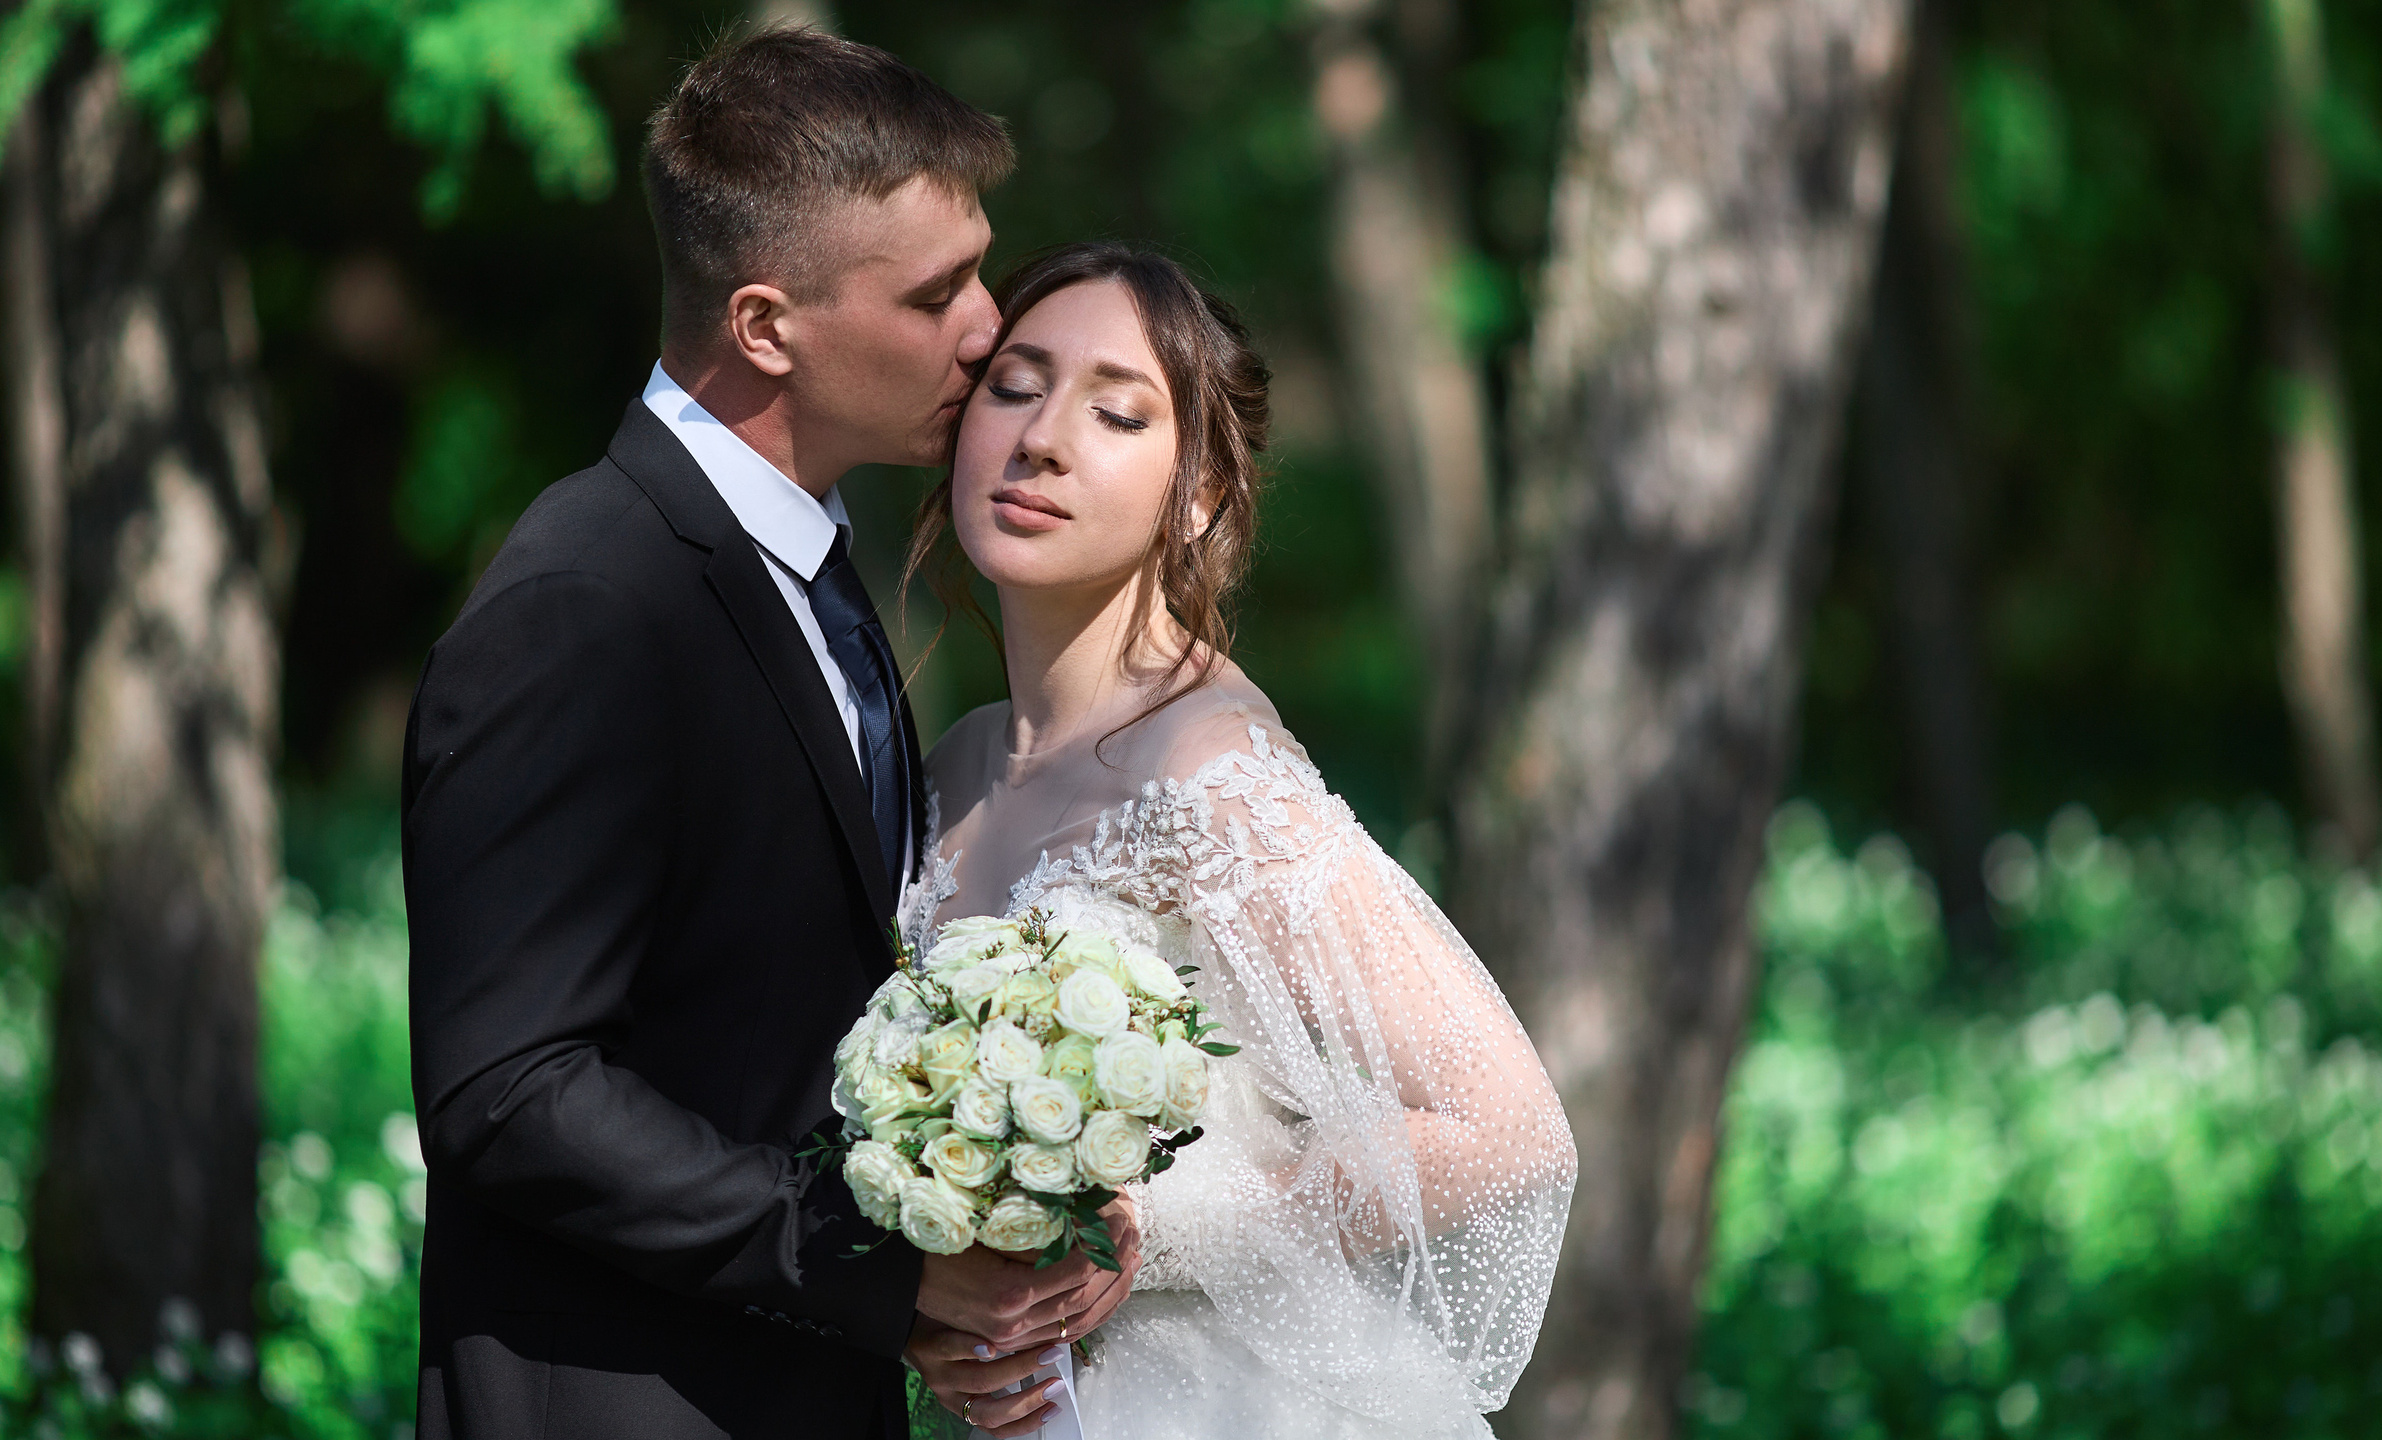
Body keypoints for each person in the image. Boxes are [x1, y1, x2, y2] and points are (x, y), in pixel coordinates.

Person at [401, 30, 1140, 1440]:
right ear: (763, 327)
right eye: (933, 295)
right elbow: (510, 1089)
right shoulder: (585, 606)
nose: (987, 328)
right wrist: (877, 1266)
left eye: (978, 272)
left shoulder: (811, 571)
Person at [895, 244, 1577, 1439]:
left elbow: (1506, 1126)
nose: (1042, 439)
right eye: (1014, 386)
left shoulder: (1206, 769)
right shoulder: (951, 768)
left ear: (1199, 493)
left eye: (1116, 413)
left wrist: (1140, 1232)